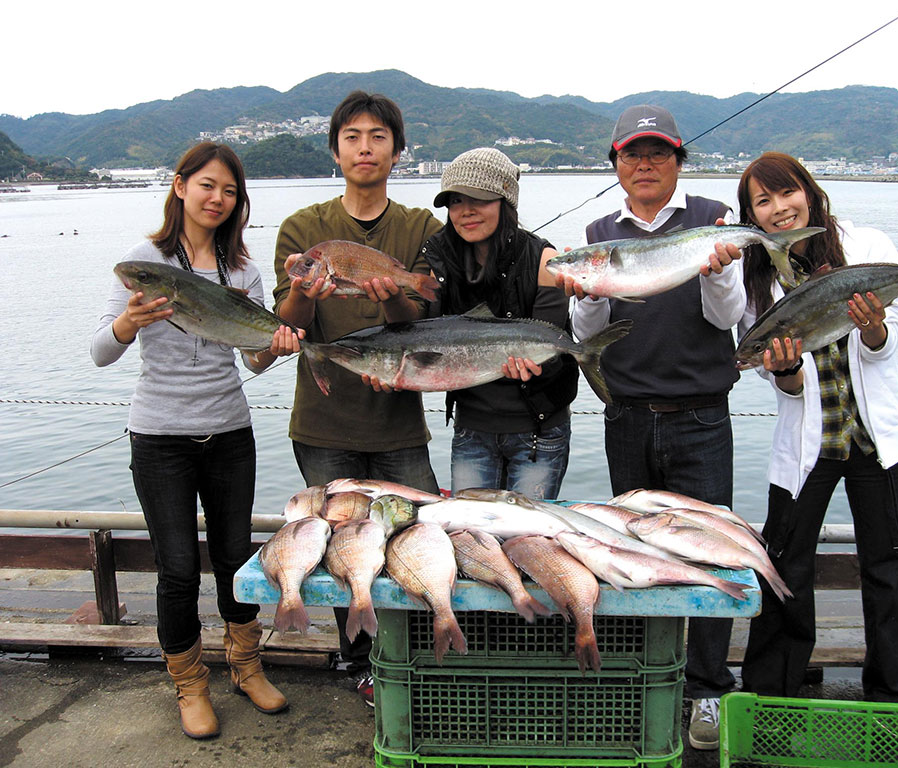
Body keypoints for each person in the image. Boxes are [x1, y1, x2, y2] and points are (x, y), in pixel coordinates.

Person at [91, 142, 299, 739]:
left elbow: (253, 360)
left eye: (229, 191)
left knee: (236, 559)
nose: (217, 199)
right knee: (178, 568)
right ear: (180, 185)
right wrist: (130, 321)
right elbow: (101, 351)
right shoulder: (144, 261)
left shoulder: (243, 271)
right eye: (207, 185)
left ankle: (245, 665)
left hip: (230, 431)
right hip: (160, 438)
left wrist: (277, 345)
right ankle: (188, 683)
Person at [557, 105, 744, 751]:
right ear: (615, 164)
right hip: (628, 417)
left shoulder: (714, 218)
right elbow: (588, 338)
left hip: (700, 417)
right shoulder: (599, 231)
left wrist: (717, 271)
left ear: (678, 161)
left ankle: (708, 690)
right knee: (629, 553)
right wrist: (585, 295)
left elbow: (729, 319)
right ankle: (643, 676)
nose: (644, 164)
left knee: (709, 548)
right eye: (632, 154)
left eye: (658, 153)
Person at [735, 151, 898, 703]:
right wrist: (787, 370)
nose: (778, 208)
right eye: (762, 202)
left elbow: (895, 336)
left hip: (874, 438)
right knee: (784, 567)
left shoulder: (868, 246)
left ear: (809, 191)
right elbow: (783, 385)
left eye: (785, 193)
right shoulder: (759, 278)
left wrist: (873, 332)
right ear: (753, 216)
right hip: (807, 443)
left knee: (886, 566)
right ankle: (773, 694)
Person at [272, 90, 442, 708]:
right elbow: (286, 322)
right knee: (338, 545)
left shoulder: (420, 227)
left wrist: (392, 292)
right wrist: (307, 291)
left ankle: (415, 658)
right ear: (335, 149)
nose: (364, 148)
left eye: (377, 136)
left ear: (397, 150)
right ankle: (359, 665)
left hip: (400, 422)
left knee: (411, 538)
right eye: (352, 137)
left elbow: (422, 318)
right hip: (322, 420)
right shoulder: (303, 230)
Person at [422, 147, 577, 498]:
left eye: (480, 199)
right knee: (472, 534)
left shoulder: (545, 261)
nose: (466, 212)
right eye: (456, 201)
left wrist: (538, 365)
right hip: (471, 428)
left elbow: (551, 345)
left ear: (506, 202)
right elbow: (427, 339)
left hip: (538, 430)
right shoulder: (441, 262)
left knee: (529, 539)